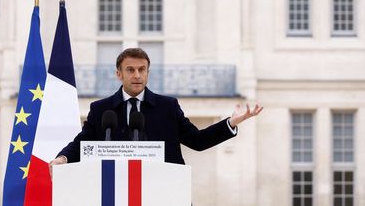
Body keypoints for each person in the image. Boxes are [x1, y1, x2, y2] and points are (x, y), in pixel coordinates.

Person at [49, 48, 263, 167]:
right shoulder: (102, 110)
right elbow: (82, 143)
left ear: (148, 72)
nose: (137, 75)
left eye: (142, 69)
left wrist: (231, 122)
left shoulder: (168, 107)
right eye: (130, 70)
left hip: (166, 194)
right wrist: (62, 159)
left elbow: (197, 141)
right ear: (119, 74)